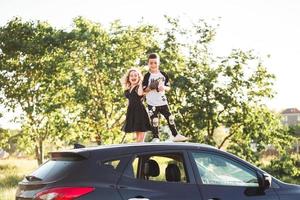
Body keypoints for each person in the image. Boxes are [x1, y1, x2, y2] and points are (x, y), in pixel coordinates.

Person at [143, 53, 189, 142]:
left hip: (163, 101)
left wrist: (163, 87)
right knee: (155, 120)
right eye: (151, 63)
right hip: (152, 103)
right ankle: (156, 137)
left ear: (158, 63)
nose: (153, 65)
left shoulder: (163, 74)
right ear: (148, 64)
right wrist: (151, 87)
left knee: (170, 117)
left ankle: (175, 135)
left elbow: (168, 87)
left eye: (155, 63)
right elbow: (144, 89)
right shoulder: (147, 76)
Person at [121, 68, 151, 142]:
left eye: (135, 75)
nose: (133, 77)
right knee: (137, 138)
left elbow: (140, 94)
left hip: (139, 111)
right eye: (131, 76)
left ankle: (142, 150)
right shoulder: (128, 88)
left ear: (138, 77)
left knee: (140, 140)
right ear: (129, 78)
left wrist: (140, 83)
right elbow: (129, 100)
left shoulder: (139, 87)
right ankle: (139, 151)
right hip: (132, 111)